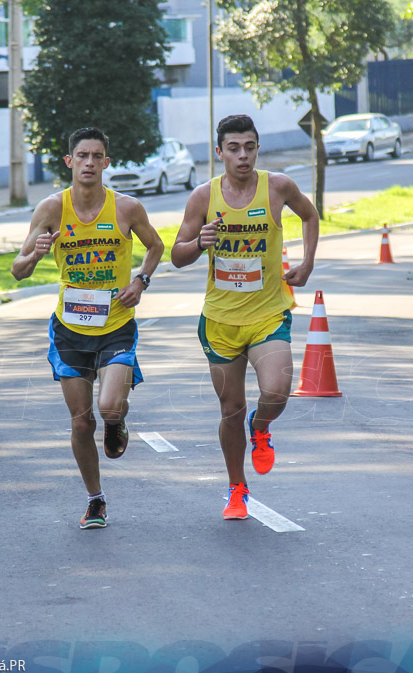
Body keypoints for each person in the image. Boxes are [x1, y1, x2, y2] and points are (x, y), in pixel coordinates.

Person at [12, 127, 164, 530]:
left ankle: (118, 421)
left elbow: (155, 246)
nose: (90, 163)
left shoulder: (126, 209)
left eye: (98, 156)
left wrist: (140, 282)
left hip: (115, 324)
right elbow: (18, 270)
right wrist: (36, 255)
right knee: (81, 422)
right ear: (70, 162)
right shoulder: (50, 209)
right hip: (69, 330)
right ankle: (95, 499)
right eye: (82, 156)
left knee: (108, 407)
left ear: (106, 163)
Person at [170, 114, 319, 520]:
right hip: (219, 321)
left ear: (257, 149)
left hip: (268, 314)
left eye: (249, 147)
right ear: (219, 153)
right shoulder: (203, 197)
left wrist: (306, 263)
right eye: (233, 148)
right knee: (229, 408)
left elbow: (309, 214)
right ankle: (237, 488)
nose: (242, 156)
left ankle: (263, 425)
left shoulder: (278, 187)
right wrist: (198, 243)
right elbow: (176, 256)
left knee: (276, 391)